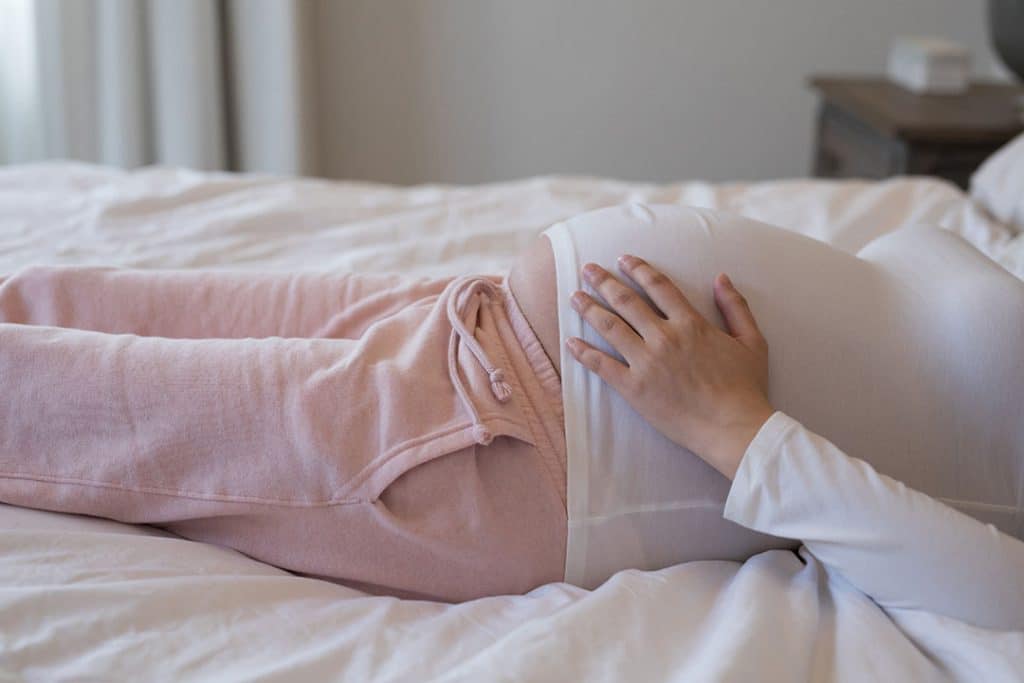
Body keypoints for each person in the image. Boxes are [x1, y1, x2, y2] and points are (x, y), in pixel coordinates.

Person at [0, 204, 1021, 611]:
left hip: (508, 451)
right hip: (480, 320)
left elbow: (994, 593)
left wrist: (728, 421)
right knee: (59, 303)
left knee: (54, 400)